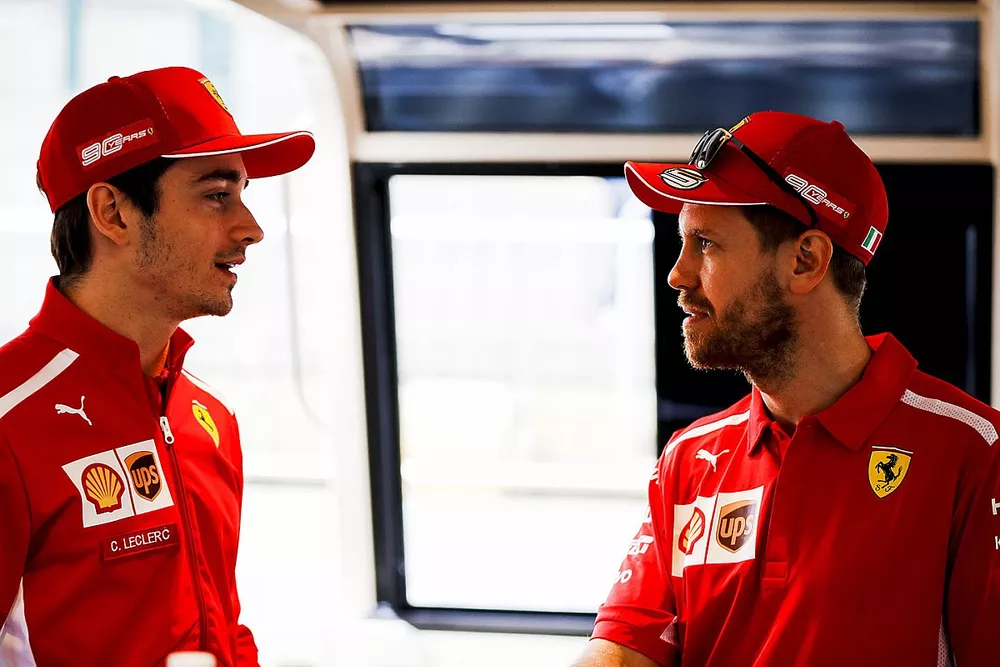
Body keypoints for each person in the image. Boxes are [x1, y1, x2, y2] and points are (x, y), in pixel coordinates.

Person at [573, 111, 1000, 666]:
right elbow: (623, 648)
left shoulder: (973, 450)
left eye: (705, 244)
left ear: (806, 260)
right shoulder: (689, 458)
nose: (677, 275)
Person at [0, 66, 315, 666]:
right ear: (113, 212)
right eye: (216, 195)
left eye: (243, 195)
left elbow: (224, 631)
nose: (251, 229)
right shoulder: (8, 422)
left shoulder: (210, 417)